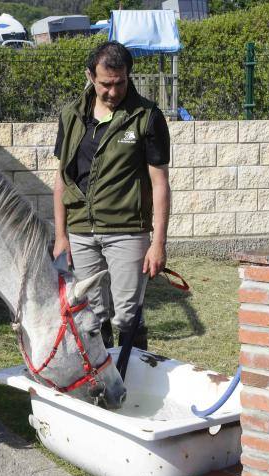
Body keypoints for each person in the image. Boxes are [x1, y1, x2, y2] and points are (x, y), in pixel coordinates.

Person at [52, 41, 171, 350]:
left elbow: (160, 183)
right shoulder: (71, 115)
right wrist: (61, 236)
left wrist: (157, 243)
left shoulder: (147, 116)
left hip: (128, 232)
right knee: (91, 313)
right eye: (106, 84)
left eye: (120, 83)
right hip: (80, 231)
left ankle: (135, 379)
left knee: (128, 316)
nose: (113, 91)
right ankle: (102, 384)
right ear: (91, 76)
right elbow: (62, 178)